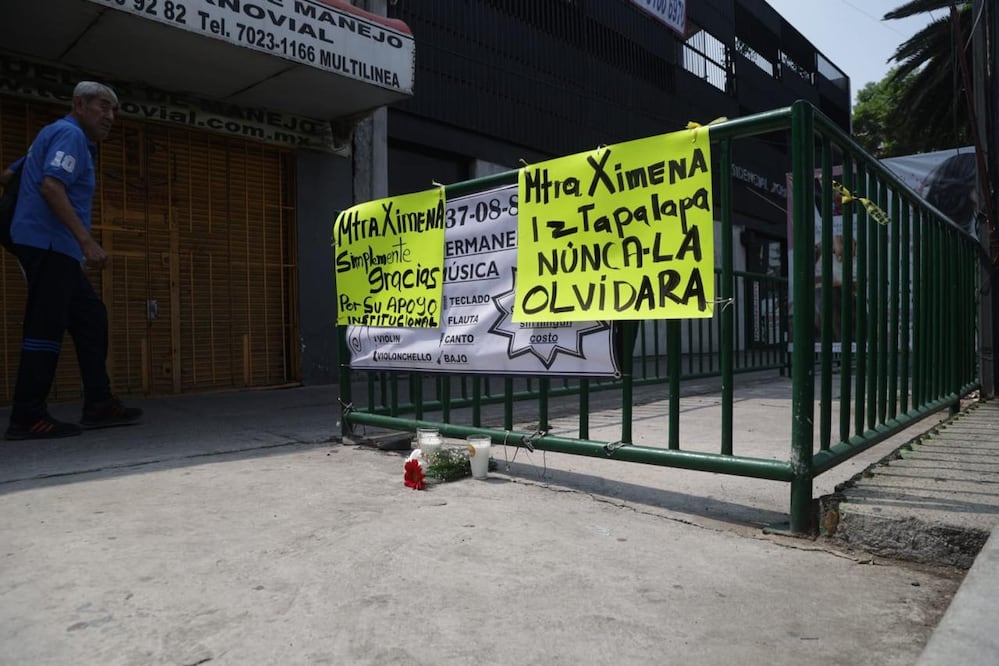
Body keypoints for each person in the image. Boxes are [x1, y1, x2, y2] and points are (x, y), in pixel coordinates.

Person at [3, 81, 142, 440]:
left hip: (53, 245)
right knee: (45, 326)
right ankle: (27, 415)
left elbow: (9, 174)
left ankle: (99, 403)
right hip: (50, 243)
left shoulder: (54, 135)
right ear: (79, 103)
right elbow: (51, 186)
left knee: (91, 317)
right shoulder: (71, 135)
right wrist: (87, 242)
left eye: (113, 110)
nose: (110, 116)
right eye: (102, 106)